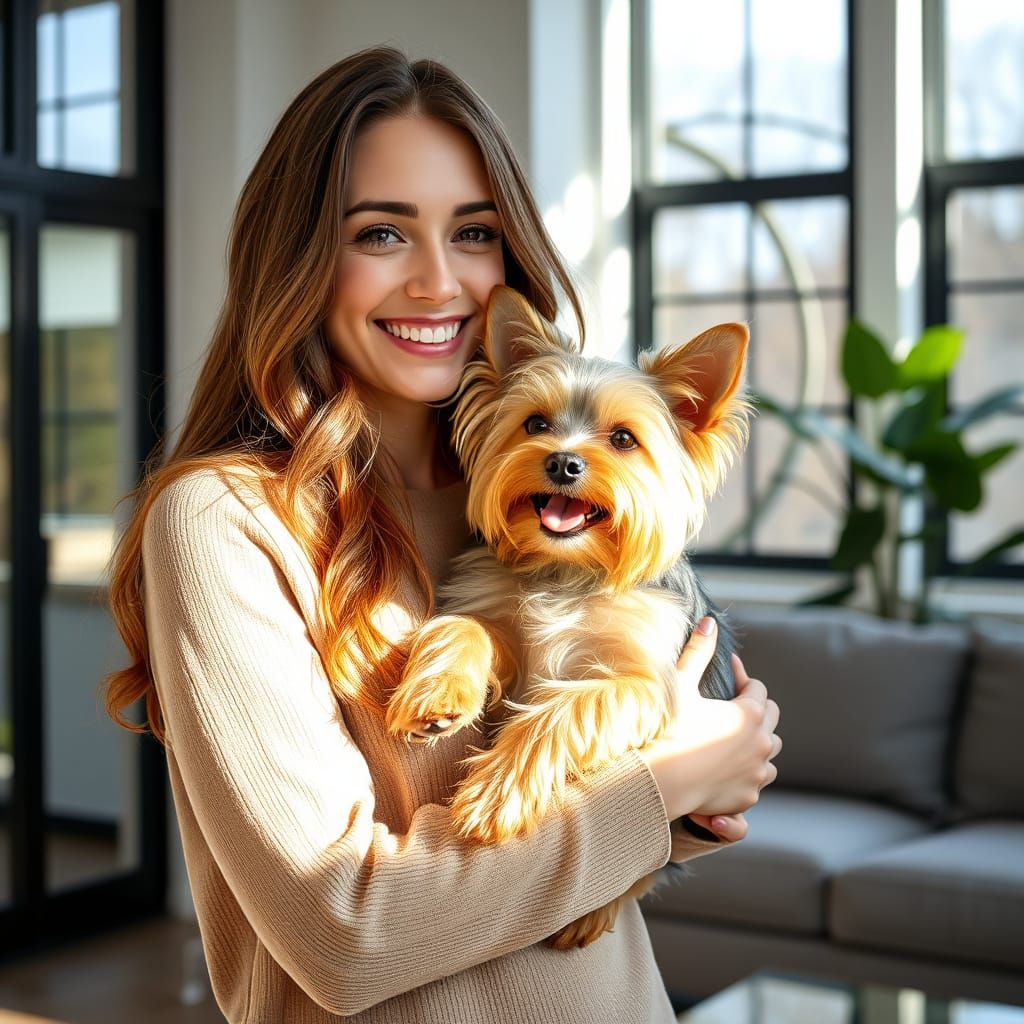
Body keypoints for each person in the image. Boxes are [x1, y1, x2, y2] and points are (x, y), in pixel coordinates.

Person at [104, 47, 781, 1024]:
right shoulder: (225, 522)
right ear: (297, 259)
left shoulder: (526, 504)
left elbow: (638, 818)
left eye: (473, 233)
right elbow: (344, 935)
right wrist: (662, 783)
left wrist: (697, 788)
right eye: (381, 233)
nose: (437, 281)